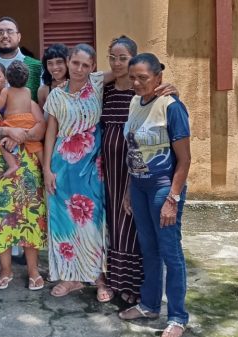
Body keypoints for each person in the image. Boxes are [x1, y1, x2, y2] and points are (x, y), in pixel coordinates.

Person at [97, 36, 178, 305]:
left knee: (133, 226)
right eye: (113, 57)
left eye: (123, 58)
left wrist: (172, 89)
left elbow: (165, 115)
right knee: (113, 224)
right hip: (109, 170)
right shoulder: (104, 90)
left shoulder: (145, 91)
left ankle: (135, 284)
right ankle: (115, 280)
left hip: (138, 171)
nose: (117, 63)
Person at [117, 53, 191, 337]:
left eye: (143, 78)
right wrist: (127, 191)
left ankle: (177, 317)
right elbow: (132, 151)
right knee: (148, 249)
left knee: (170, 252)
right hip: (139, 186)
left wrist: (173, 199)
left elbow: (184, 160)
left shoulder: (172, 107)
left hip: (163, 187)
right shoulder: (135, 102)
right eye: (133, 77)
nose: (136, 83)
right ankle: (149, 305)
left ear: (158, 77)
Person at [43, 43, 116, 297]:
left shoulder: (96, 83)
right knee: (63, 223)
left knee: (93, 223)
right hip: (61, 168)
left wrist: (164, 85)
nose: (79, 69)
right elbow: (50, 134)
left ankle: (98, 278)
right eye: (75, 63)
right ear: (68, 62)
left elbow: (126, 66)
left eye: (86, 65)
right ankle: (69, 277)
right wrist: (47, 169)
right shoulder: (55, 95)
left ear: (93, 66)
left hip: (91, 169)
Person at [0, 62, 47, 290]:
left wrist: (22, 134)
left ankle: (33, 270)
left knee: (29, 220)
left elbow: (41, 127)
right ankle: (6, 270)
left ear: (5, 78)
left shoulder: (26, 101)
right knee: (0, 222)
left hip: (27, 174)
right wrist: (7, 131)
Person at [0, 60, 43, 177]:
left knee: (2, 144)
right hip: (28, 122)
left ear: (7, 78)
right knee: (37, 146)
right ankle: (45, 167)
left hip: (13, 123)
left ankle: (13, 165)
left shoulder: (7, 90)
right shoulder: (28, 91)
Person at [0, 17, 42, 111]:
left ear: (19, 37)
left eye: (10, 31)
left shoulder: (37, 68)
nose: (5, 36)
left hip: (27, 123)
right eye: (0, 32)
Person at [37, 43, 69, 109]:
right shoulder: (43, 90)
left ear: (67, 63)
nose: (54, 67)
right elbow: (41, 118)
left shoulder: (77, 86)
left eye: (59, 62)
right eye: (50, 63)